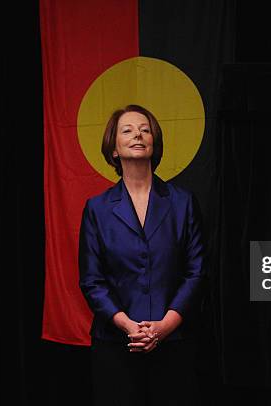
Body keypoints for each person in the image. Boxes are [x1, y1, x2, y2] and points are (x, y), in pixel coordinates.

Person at [78, 104, 207, 406]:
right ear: (113, 149)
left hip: (174, 340)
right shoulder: (97, 209)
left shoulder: (183, 202)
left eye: (145, 129)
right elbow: (92, 280)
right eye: (128, 130)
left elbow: (197, 271)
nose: (138, 134)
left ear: (154, 143)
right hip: (115, 343)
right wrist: (128, 326)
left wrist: (164, 326)